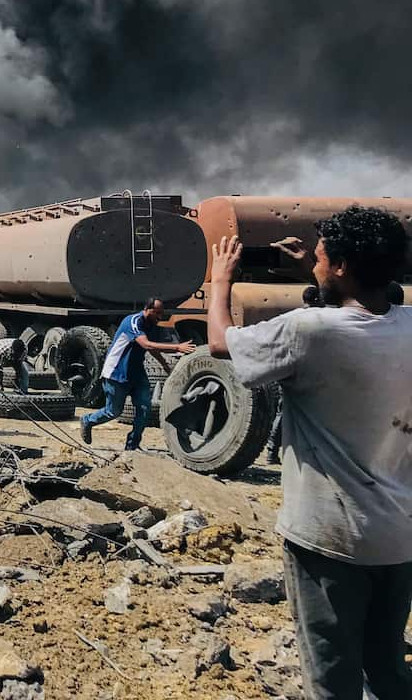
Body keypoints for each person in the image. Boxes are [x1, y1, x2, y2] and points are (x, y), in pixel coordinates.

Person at [209, 207, 412, 700]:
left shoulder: (305, 331)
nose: (314, 263)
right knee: (386, 668)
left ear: (341, 266)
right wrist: (315, 272)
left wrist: (220, 281)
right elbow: (358, 316)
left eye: (321, 258)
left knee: (332, 674)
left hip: (331, 538)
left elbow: (219, 343)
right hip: (399, 536)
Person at [81, 299, 195, 449]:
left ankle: (132, 446)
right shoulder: (133, 322)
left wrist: (165, 365)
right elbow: (146, 344)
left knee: (144, 409)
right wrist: (177, 348)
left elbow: (153, 348)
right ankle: (88, 420)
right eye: (157, 313)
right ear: (147, 309)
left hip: (137, 373)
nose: (160, 316)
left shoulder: (152, 325)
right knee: (113, 412)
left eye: (161, 313)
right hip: (117, 373)